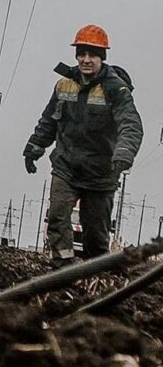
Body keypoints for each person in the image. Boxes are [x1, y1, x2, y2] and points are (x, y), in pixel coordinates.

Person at [23, 25, 143, 266]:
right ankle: (62, 266)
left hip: (101, 173)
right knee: (57, 216)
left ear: (102, 58)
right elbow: (48, 121)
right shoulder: (64, 86)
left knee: (95, 235)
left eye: (93, 55)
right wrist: (34, 148)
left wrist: (124, 153)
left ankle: (95, 274)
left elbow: (131, 125)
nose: (86, 60)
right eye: (82, 54)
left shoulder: (116, 89)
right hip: (66, 166)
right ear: (76, 55)